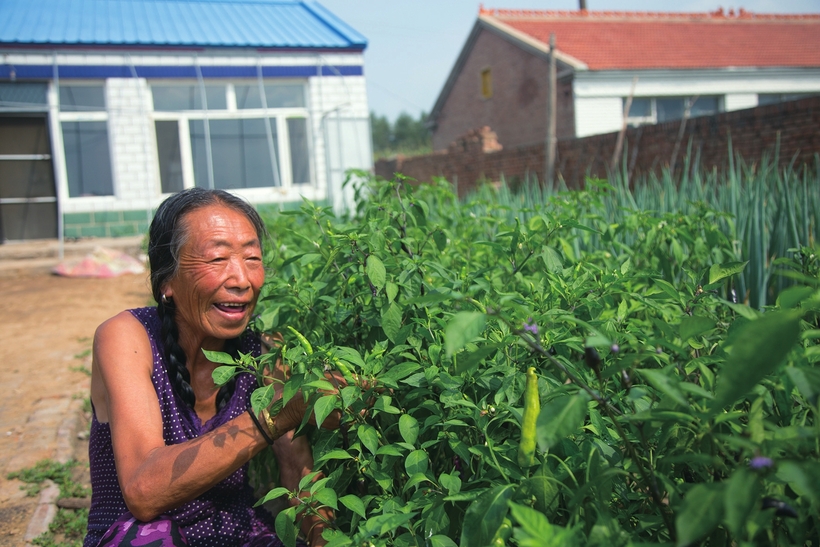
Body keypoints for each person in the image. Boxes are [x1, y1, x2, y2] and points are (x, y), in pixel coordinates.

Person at [86, 188, 336, 547]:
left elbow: (299, 471)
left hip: (234, 535)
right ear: (167, 281)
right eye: (217, 259)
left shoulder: (262, 353)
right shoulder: (128, 338)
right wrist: (275, 414)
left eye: (252, 258)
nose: (241, 280)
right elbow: (144, 491)